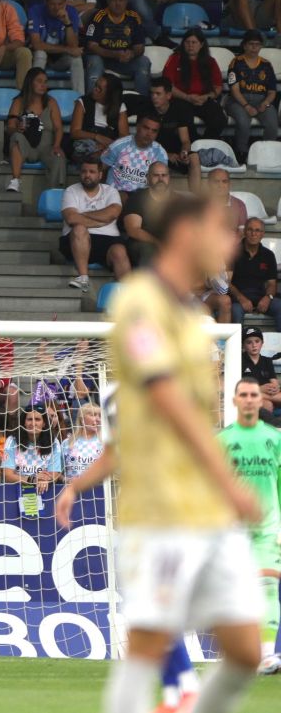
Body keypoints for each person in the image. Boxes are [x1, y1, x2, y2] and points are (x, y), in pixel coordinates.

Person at [99, 191, 266, 713]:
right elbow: (166, 396)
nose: (232, 243)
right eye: (223, 230)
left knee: (245, 650)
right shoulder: (139, 303)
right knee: (148, 646)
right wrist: (230, 479)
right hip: (162, 508)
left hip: (208, 512)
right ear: (189, 234)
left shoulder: (191, 312)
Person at [218, 378, 281, 649]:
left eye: (253, 394)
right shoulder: (222, 440)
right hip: (233, 528)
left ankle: (267, 654)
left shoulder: (275, 438)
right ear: (234, 400)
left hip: (269, 525)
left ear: (260, 400)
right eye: (242, 394)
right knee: (238, 594)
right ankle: (244, 652)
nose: (248, 399)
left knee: (267, 585)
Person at [62, 159, 130, 291]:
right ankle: (83, 278)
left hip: (108, 241)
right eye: (84, 171)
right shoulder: (71, 191)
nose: (87, 175)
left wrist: (83, 214)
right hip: (75, 242)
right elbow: (71, 218)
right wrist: (101, 220)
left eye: (92, 172)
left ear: (100, 175)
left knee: (120, 251)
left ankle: (127, 297)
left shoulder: (111, 191)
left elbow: (112, 213)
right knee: (79, 228)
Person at [3, 67, 66, 193]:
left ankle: (54, 192)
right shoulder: (18, 102)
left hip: (46, 147)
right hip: (26, 144)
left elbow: (59, 128)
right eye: (39, 81)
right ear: (30, 82)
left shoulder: (51, 102)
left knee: (59, 156)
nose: (43, 85)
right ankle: (15, 180)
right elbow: (9, 127)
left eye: (45, 82)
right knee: (16, 137)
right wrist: (17, 128)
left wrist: (56, 145)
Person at [84, 0, 152, 97]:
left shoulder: (134, 17)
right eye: (114, 0)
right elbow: (91, 46)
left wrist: (131, 53)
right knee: (94, 61)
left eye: (121, 0)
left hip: (124, 61)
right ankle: (91, 105)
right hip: (101, 59)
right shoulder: (98, 16)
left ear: (126, 1)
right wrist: (114, 54)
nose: (118, 4)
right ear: (108, 1)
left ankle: (141, 104)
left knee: (143, 62)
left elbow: (140, 47)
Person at [225, 30, 280, 162]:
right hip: (238, 101)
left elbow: (272, 91)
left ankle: (266, 154)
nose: (254, 47)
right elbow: (234, 90)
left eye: (257, 44)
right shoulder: (236, 62)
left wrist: (265, 103)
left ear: (261, 46)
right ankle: (241, 154)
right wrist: (246, 106)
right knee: (244, 122)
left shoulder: (266, 64)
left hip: (262, 99)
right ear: (244, 45)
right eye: (251, 44)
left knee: (273, 123)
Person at [165, 28, 228, 143]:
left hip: (203, 99)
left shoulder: (210, 61)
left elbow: (218, 87)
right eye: (187, 42)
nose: (190, 46)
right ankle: (192, 147)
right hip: (181, 99)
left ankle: (205, 144)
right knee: (184, 119)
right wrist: (187, 97)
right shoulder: (174, 59)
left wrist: (207, 96)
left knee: (220, 119)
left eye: (194, 42)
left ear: (201, 44)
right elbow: (168, 86)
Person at [229, 219, 281, 329]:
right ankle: (237, 345)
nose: (253, 234)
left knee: (279, 306)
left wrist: (268, 297)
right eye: (250, 230)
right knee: (235, 311)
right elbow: (227, 282)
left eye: (258, 230)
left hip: (261, 297)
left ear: (263, 234)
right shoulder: (233, 253)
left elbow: (272, 283)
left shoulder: (268, 255)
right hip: (238, 298)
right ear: (244, 232)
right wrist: (241, 298)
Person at [103, 114, 170, 195]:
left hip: (143, 197)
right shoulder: (119, 145)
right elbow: (101, 168)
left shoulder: (160, 153)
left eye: (154, 131)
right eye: (146, 128)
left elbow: (161, 180)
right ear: (137, 127)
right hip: (116, 193)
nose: (149, 134)